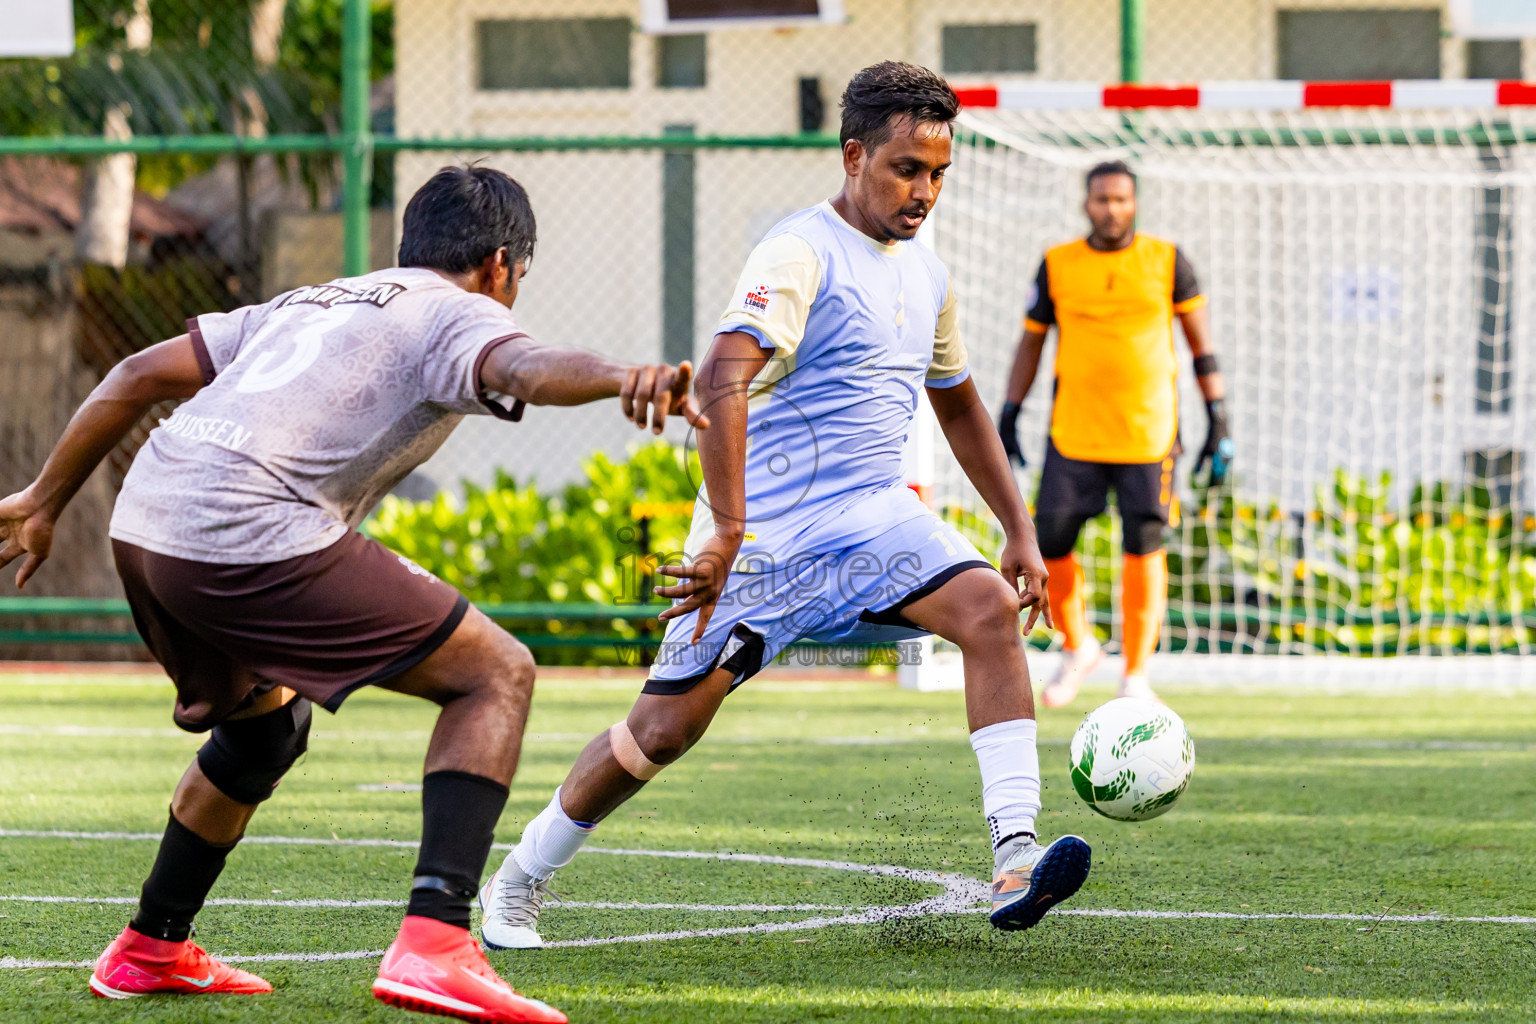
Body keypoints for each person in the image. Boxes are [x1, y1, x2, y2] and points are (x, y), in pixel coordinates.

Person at [0, 165, 706, 1024]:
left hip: (146, 524)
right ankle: (438, 942)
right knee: (496, 673)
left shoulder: (318, 297)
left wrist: (44, 499)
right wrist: (620, 374)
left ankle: (151, 945)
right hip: (244, 531)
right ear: (501, 265)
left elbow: (137, 374)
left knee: (263, 731)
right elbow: (523, 365)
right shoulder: (461, 309)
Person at [479, 61, 1090, 952]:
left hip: (876, 520)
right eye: (905, 170)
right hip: (763, 536)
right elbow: (724, 378)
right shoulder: (797, 252)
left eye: (938, 174)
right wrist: (726, 530)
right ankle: (521, 878)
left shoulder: (928, 275)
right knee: (661, 732)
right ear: (853, 156)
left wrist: (1019, 530)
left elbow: (956, 401)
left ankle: (1014, 855)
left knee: (991, 611)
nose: (924, 192)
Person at [997, 160, 1232, 708]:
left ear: (1135, 203)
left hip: (1148, 434)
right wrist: (1010, 411)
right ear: (1086, 203)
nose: (1112, 209)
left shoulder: (1168, 261)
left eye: (1121, 199)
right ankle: (1078, 646)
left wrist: (1218, 416)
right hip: (1074, 430)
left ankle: (1136, 674)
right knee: (1049, 540)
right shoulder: (1057, 264)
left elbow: (1202, 346)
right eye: (1102, 199)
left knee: (1142, 544)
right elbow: (1030, 343)